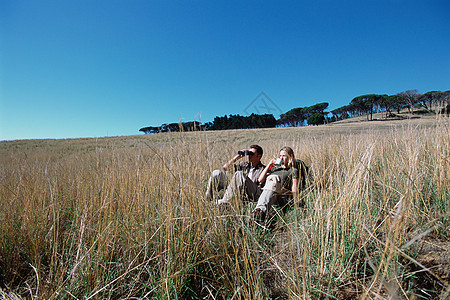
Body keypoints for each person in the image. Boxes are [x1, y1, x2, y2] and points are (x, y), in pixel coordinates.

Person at [252, 146, 299, 221]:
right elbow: (260, 180)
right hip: (268, 193)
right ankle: (259, 213)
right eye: (280, 156)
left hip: (280, 195)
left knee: (274, 178)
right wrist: (269, 164)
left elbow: (295, 192)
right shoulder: (274, 169)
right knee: (272, 179)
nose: (281, 158)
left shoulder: (293, 170)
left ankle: (259, 211)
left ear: (289, 157)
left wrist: (284, 190)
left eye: (284, 156)